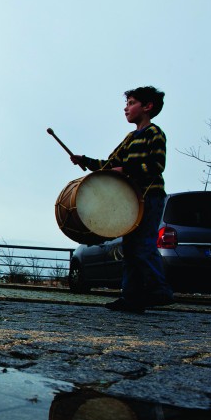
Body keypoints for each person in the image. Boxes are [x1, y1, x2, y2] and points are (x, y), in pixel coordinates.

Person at [70, 86, 174, 313]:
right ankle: (131, 297)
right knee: (130, 248)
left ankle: (160, 289)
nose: (125, 108)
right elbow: (110, 165)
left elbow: (156, 166)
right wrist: (85, 160)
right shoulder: (129, 138)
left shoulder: (155, 133)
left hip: (151, 196)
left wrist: (125, 169)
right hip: (132, 201)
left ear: (147, 107)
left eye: (131, 103)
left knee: (144, 244)